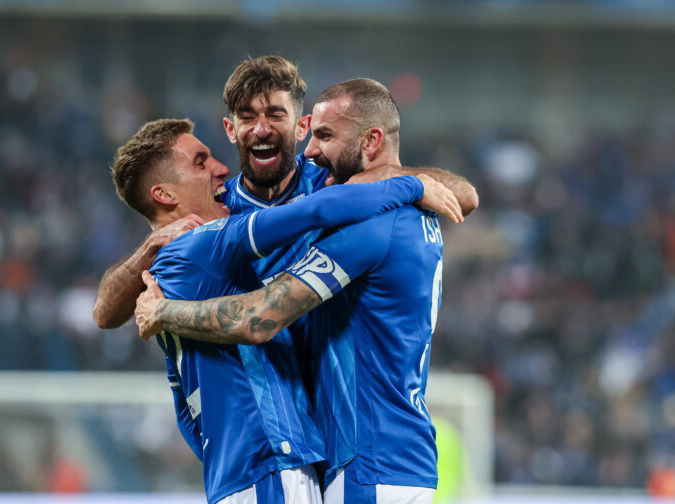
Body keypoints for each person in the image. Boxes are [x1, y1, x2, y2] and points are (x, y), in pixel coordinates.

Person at [135, 79, 457, 503]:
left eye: (325, 136)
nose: (311, 152)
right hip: (393, 452)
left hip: (370, 459)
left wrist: (162, 312)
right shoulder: (414, 217)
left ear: (371, 140)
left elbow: (258, 317)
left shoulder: (368, 228)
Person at [93, 55, 477, 329]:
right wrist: (148, 249)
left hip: (328, 400)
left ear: (301, 126)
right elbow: (105, 315)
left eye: (275, 114)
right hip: (268, 396)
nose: (261, 129)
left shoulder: (337, 182)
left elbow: (465, 197)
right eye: (247, 117)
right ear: (230, 130)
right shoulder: (216, 209)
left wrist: (404, 177)